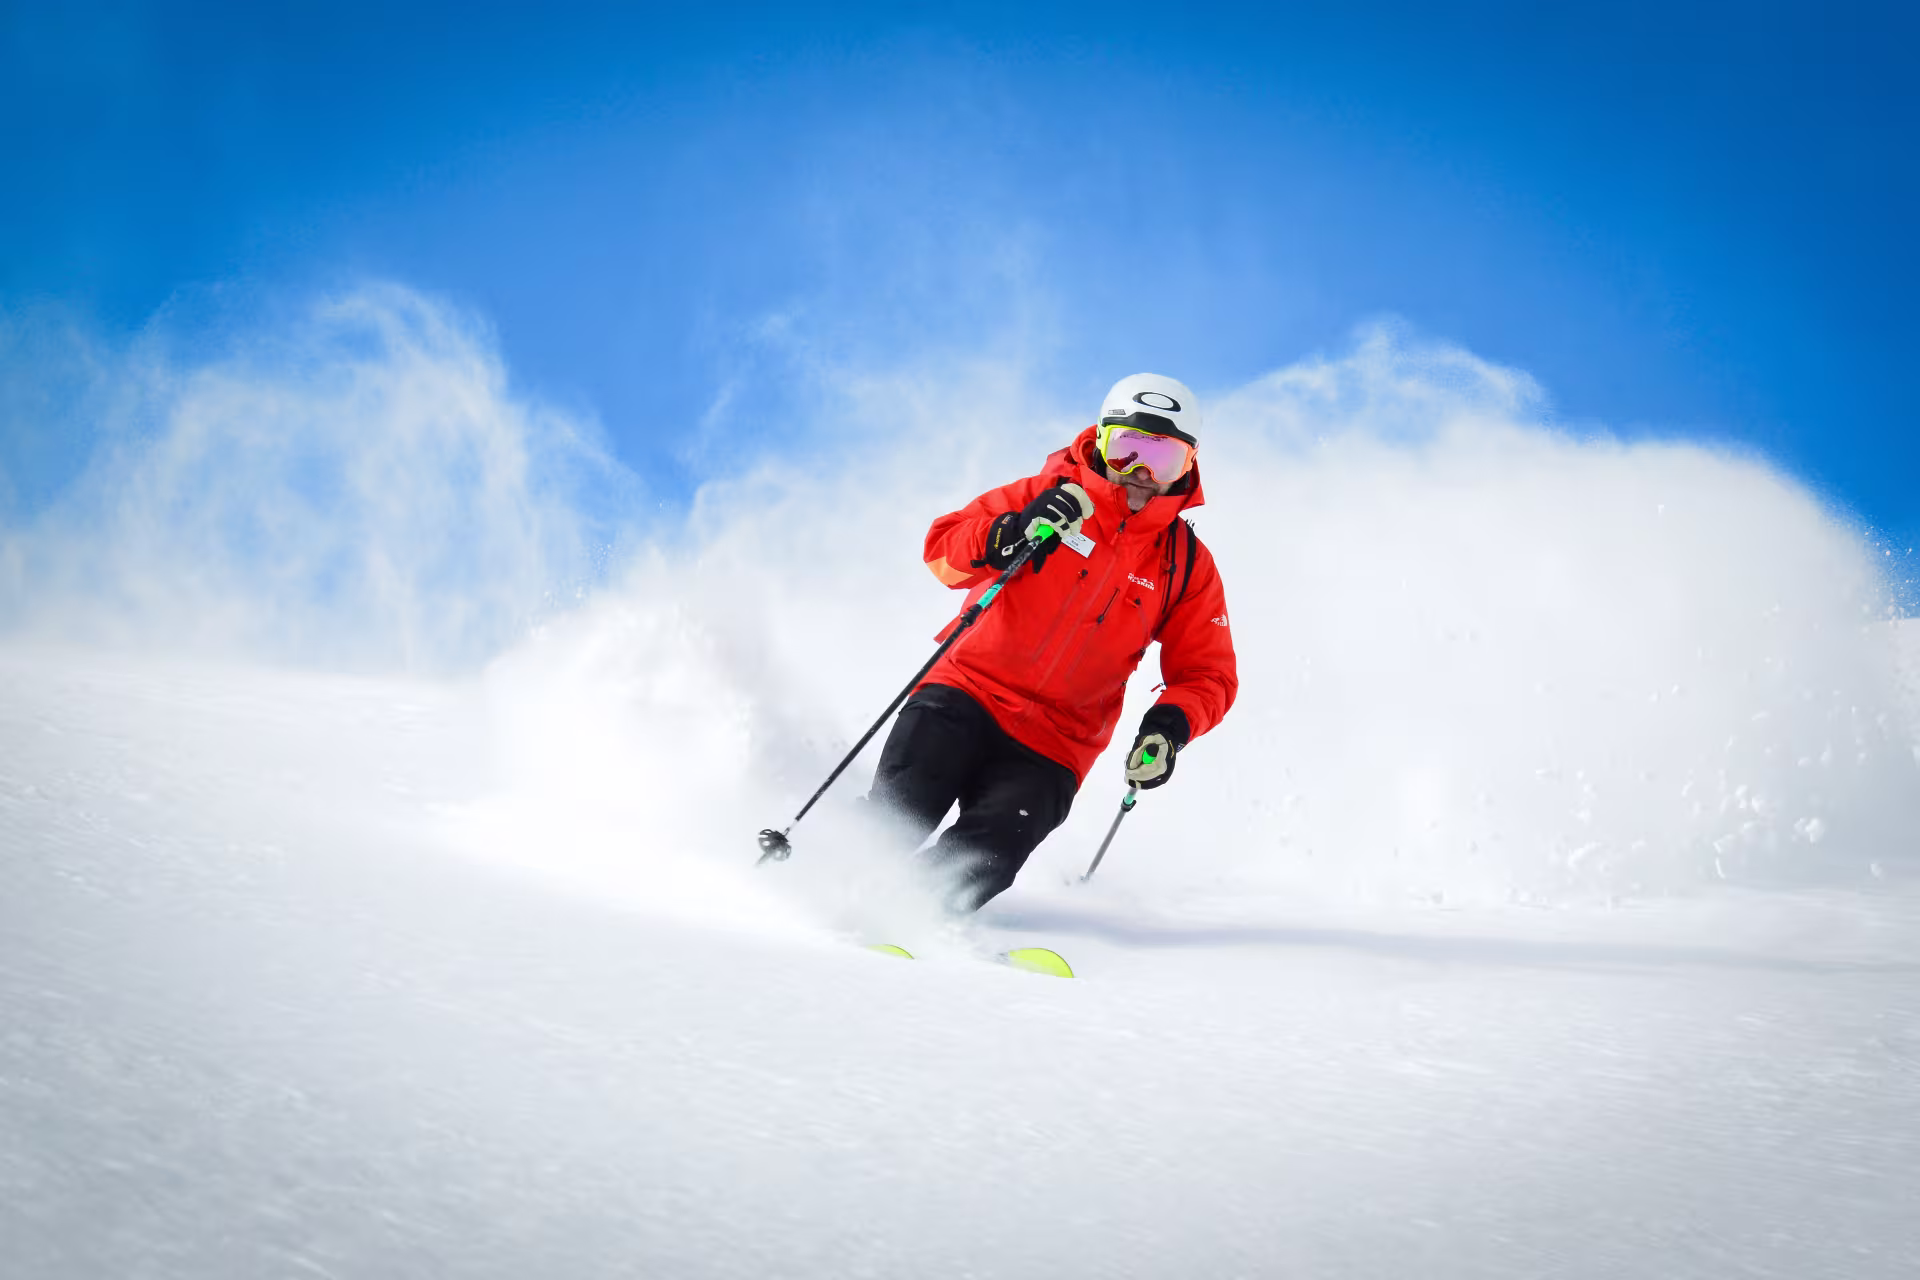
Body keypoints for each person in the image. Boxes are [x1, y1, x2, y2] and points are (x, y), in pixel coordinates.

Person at [869, 373, 1238, 910]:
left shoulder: (1183, 563)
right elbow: (942, 555)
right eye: (1127, 449)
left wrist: (1170, 726)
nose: (1139, 473)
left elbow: (1209, 672)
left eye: (1162, 459)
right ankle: (836, 881)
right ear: (1101, 440)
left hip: (1056, 743)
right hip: (965, 692)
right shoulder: (1047, 497)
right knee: (899, 814)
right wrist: (1009, 532)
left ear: (1189, 464)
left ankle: (908, 914)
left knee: (989, 854)